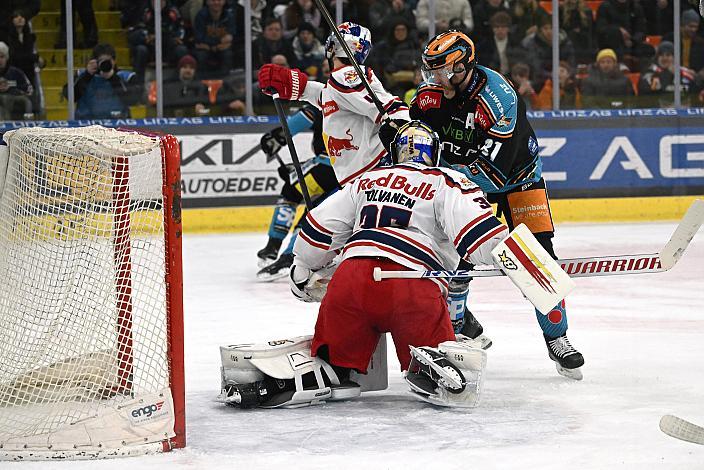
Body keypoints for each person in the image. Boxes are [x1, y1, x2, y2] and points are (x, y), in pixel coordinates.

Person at [219, 122, 574, 409]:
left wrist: (302, 270)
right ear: (433, 154)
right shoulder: (446, 180)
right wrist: (532, 266)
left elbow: (317, 228)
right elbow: (481, 235)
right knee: (439, 356)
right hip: (411, 283)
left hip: (350, 283)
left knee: (336, 362)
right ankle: (434, 365)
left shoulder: (366, 180)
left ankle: (321, 372)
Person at [409, 30, 585, 379]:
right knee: (452, 258)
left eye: (442, 71)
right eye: (431, 72)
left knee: (538, 260)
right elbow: (414, 135)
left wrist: (441, 180)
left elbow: (490, 172)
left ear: (463, 66)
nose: (435, 80)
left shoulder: (499, 98)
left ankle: (557, 337)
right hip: (461, 177)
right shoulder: (429, 95)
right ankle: (459, 329)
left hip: (516, 179)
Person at [256, 22, 411, 279]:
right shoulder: (342, 83)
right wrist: (295, 85)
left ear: (331, 48)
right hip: (364, 181)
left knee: (313, 255)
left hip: (367, 181)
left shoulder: (344, 77)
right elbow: (326, 96)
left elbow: (387, 107)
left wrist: (400, 121)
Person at [254, 104, 340, 280]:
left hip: (327, 165)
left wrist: (276, 137)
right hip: (351, 173)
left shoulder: (327, 97)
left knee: (290, 192)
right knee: (314, 211)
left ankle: (276, 247)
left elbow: (300, 120)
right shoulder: (369, 101)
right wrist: (297, 169)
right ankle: (293, 255)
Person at [128, 0, 188, 84]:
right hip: (150, 48)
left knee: (181, 50)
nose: (157, 2)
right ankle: (138, 84)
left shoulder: (173, 12)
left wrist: (175, 38)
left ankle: (177, 83)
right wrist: (147, 37)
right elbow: (136, 30)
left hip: (169, 48)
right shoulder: (145, 11)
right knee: (141, 50)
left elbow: (181, 29)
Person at [72, 43, 139, 119]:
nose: (104, 64)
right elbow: (71, 97)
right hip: (87, 123)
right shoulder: (81, 75)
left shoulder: (127, 77)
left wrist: (113, 78)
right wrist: (87, 75)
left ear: (114, 61)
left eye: (108, 61)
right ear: (94, 61)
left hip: (117, 121)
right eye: (101, 61)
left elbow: (133, 101)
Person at [638, 41, 698, 107]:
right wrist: (668, 73)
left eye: (668, 55)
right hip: (657, 113)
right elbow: (652, 92)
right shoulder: (650, 72)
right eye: (661, 55)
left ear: (674, 57)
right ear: (657, 57)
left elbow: (694, 94)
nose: (665, 58)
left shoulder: (684, 73)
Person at [193, 0, 237, 77]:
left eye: (219, 0)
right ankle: (203, 82)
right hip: (205, 49)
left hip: (220, 49)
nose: (216, 2)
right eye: (213, 0)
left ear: (224, 1)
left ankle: (225, 81)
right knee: (201, 55)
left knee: (228, 54)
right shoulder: (200, 15)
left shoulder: (229, 16)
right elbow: (199, 38)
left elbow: (230, 37)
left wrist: (210, 44)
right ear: (207, 2)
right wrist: (219, 41)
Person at [0, 41, 33, 120]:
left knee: (26, 102)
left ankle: (27, 127)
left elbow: (29, 89)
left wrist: (11, 88)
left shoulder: (16, 72)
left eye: (2, 57)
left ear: (6, 58)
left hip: (14, 99)